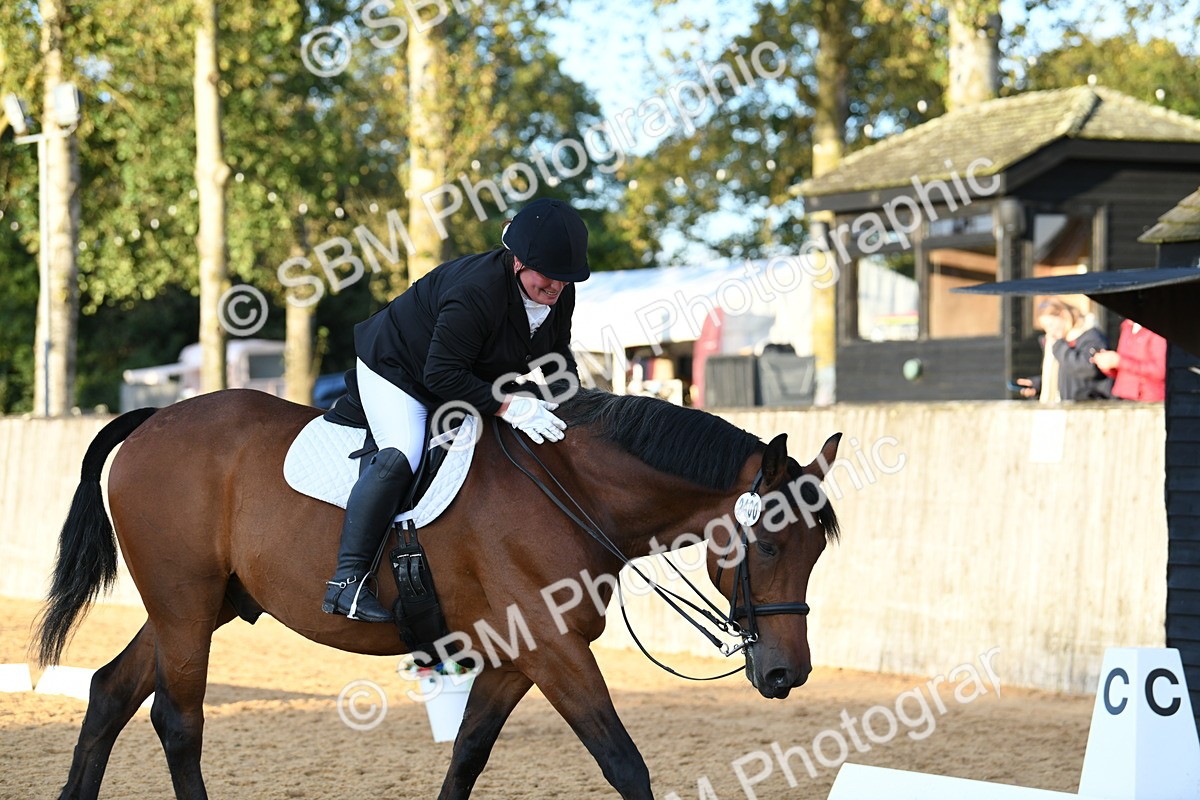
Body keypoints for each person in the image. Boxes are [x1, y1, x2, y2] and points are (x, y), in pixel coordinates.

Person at [322, 198, 590, 622]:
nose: (556, 286)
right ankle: (346, 582)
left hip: (464, 371)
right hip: (400, 369)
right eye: (549, 276)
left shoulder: (559, 292)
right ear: (518, 261)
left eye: (565, 278)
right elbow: (441, 376)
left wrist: (574, 407)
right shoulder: (476, 292)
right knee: (402, 453)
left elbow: (554, 354)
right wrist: (507, 406)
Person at [1016, 299, 1112, 402]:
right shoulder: (1063, 342)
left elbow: (1088, 368)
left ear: (1062, 315)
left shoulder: (1091, 337)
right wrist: (1038, 385)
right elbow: (1068, 375)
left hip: (1089, 407)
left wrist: (1058, 347)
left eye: (1051, 325)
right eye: (1046, 328)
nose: (1050, 331)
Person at [1091, 318, 1167, 402]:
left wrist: (1119, 361)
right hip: (1122, 395)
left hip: (1147, 398)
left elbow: (1160, 371)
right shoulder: (1127, 326)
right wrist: (1108, 364)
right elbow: (1123, 371)